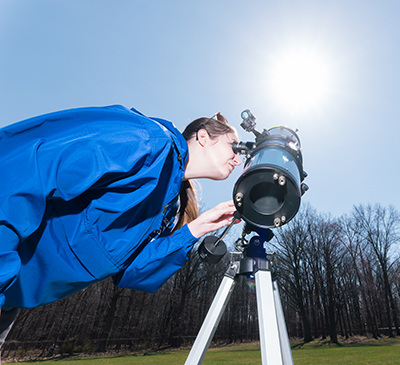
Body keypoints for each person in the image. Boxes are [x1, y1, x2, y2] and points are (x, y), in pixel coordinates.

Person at [0, 105, 242, 352]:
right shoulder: (147, 139)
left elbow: (130, 272)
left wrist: (194, 230)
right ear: (203, 137)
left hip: (10, 301)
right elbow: (28, 169)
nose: (239, 157)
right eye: (234, 146)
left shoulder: (168, 208)